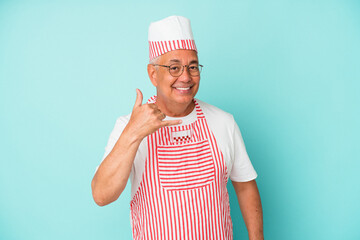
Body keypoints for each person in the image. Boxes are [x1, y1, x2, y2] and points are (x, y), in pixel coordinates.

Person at [91, 15, 264, 240]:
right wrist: (133, 133)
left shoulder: (223, 122)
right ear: (153, 74)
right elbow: (102, 195)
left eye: (193, 67)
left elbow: (245, 186)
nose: (185, 77)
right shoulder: (127, 126)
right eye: (174, 68)